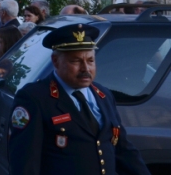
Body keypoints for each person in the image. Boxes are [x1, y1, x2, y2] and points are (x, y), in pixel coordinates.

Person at [8, 23, 149, 175]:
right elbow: (25, 165)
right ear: (55, 61)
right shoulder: (35, 98)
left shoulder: (103, 95)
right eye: (75, 61)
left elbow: (123, 150)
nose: (86, 69)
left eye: (90, 60)